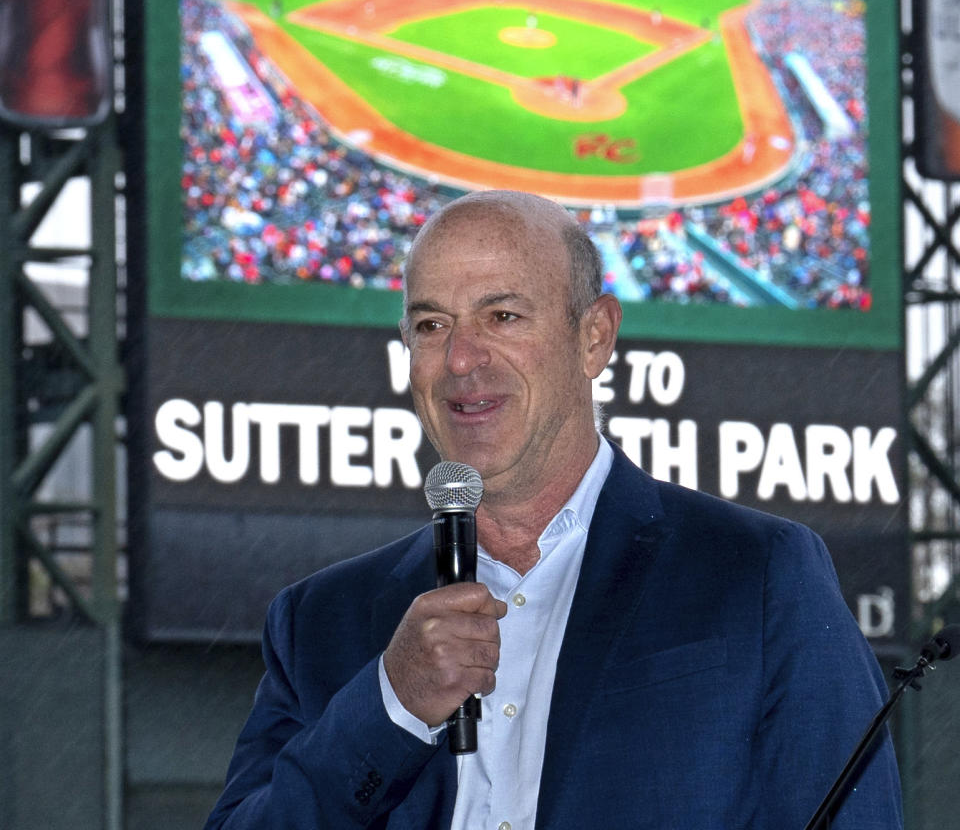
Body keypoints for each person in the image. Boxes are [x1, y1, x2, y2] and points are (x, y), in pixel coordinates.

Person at [205, 190, 903, 829]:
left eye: (502, 316)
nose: (460, 358)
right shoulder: (321, 621)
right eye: (430, 324)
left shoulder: (756, 574)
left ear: (594, 335)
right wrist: (392, 705)